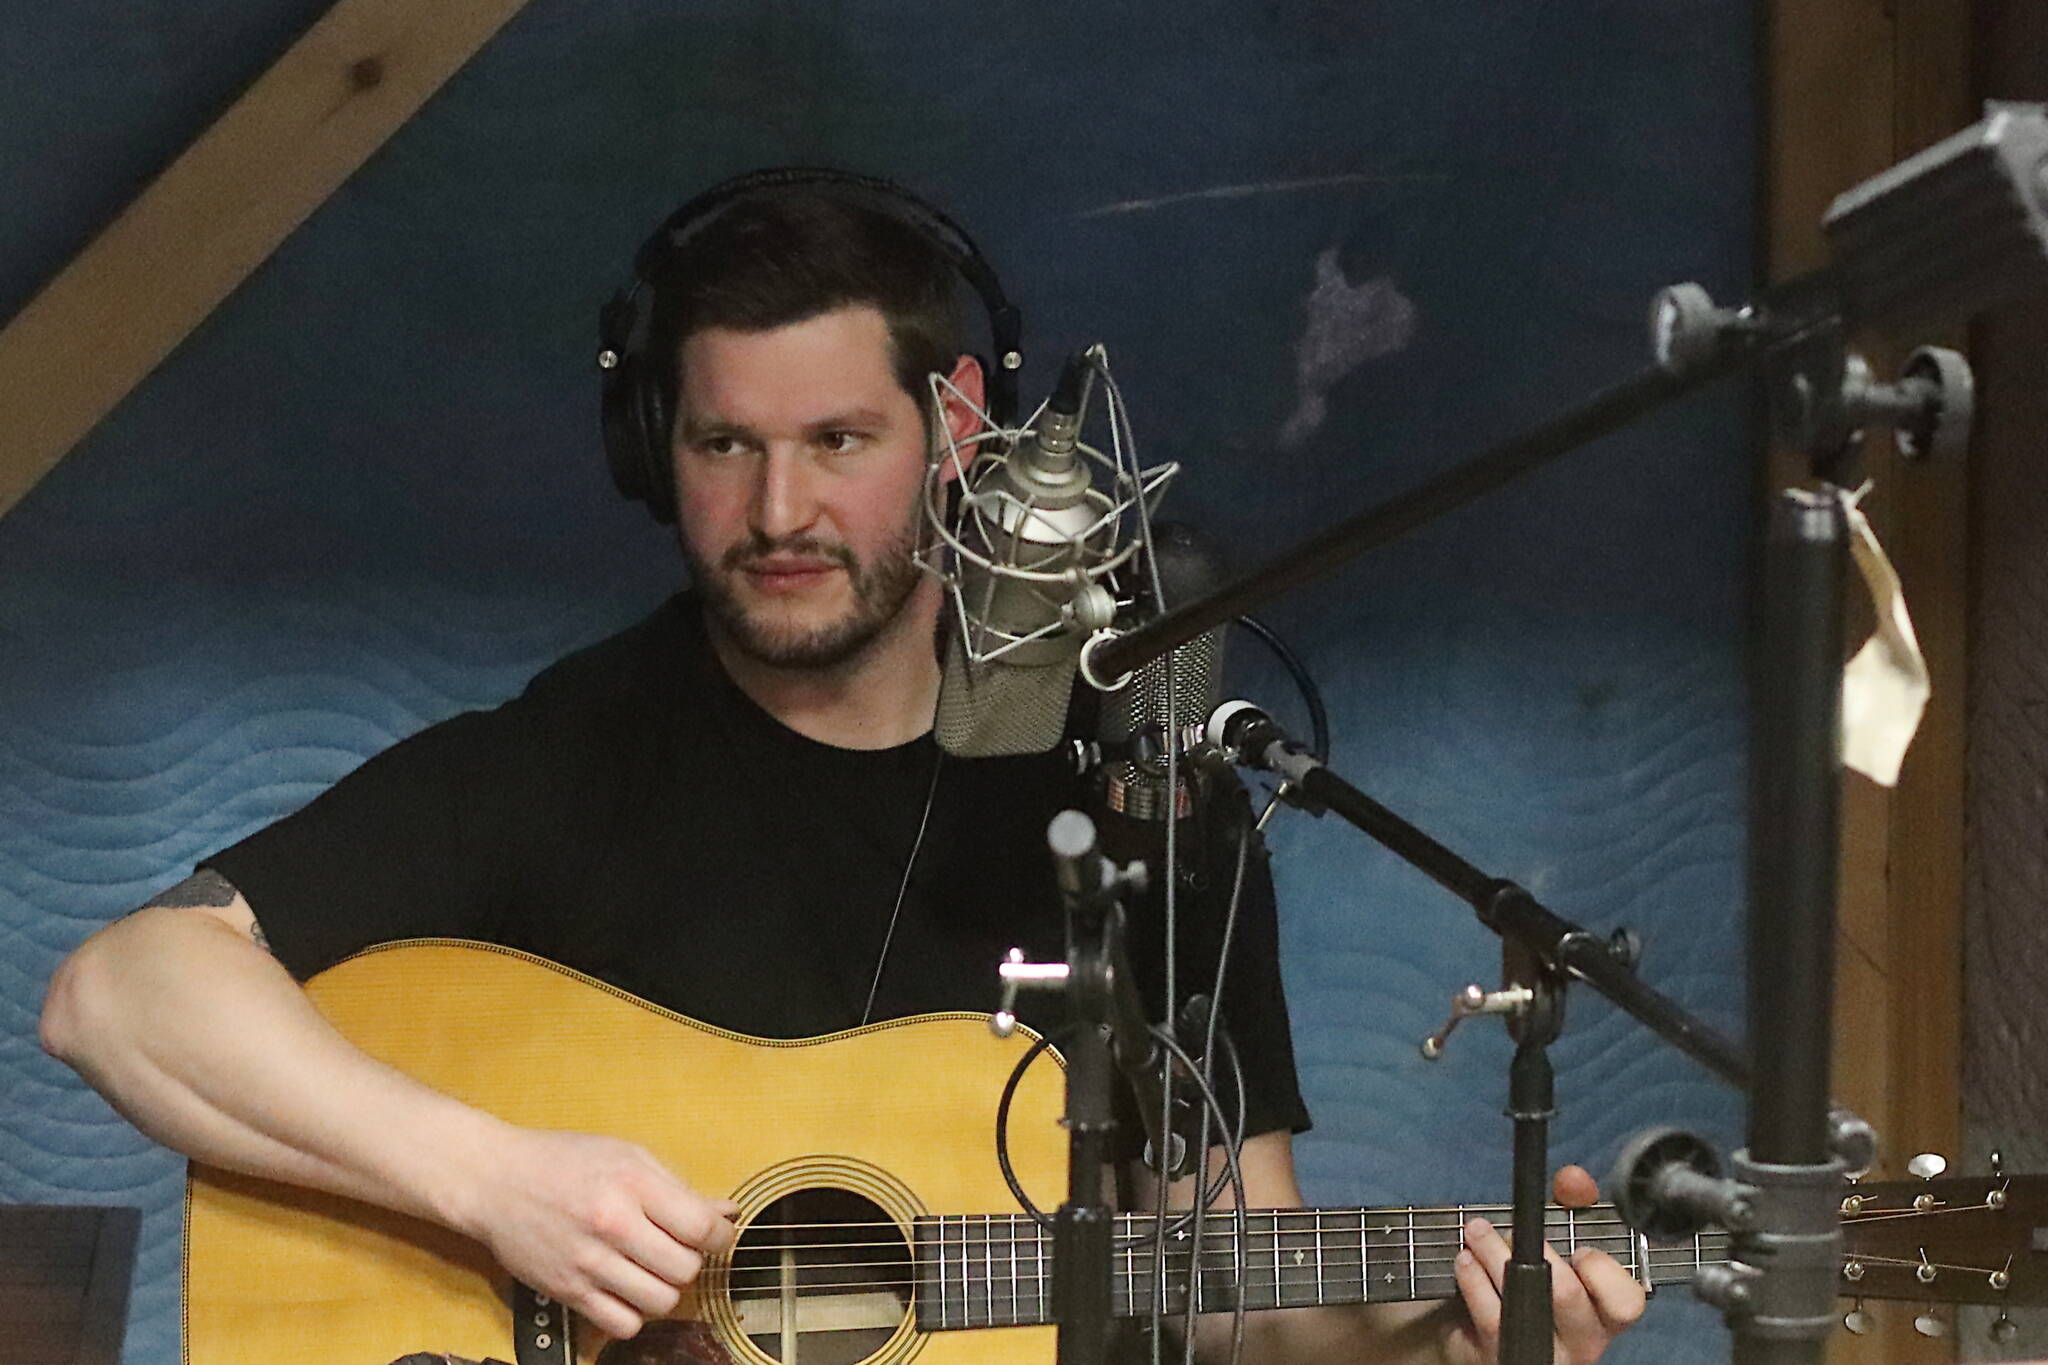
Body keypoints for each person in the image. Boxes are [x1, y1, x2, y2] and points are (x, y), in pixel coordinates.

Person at [40, 181, 1644, 1363]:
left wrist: (1447, 1335)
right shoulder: (571, 757)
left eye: (837, 443)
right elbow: (118, 993)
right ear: (651, 448)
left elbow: (1233, 1288)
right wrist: (505, 1184)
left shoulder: (1154, 789)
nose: (778, 509)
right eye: (723, 445)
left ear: (960, 435)